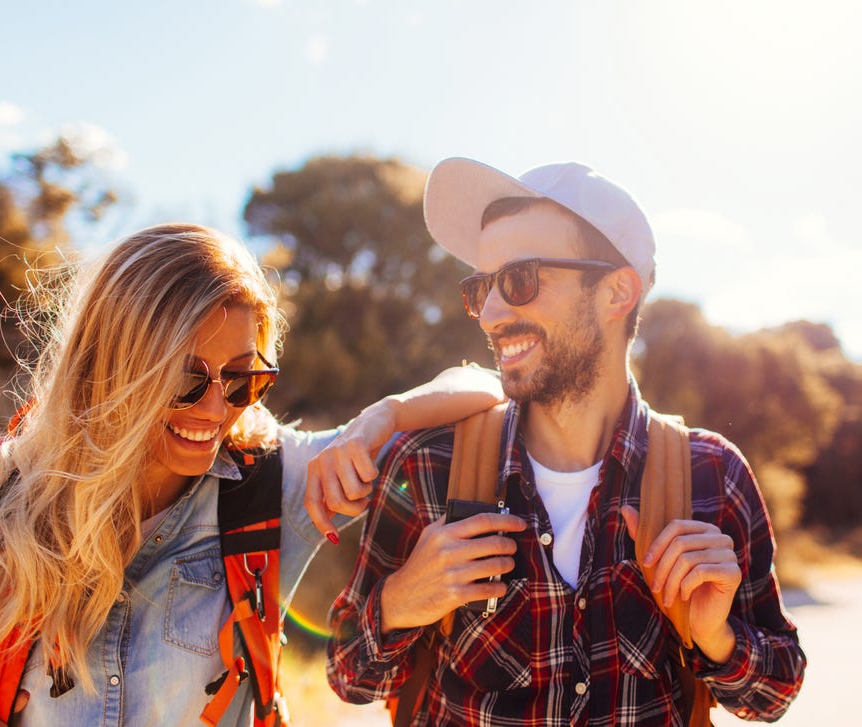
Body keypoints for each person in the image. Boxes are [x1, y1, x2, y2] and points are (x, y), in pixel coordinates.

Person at [0, 223, 504, 726]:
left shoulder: (273, 486)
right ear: (112, 365)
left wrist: (382, 416)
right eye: (185, 380)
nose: (214, 410)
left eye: (241, 379)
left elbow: (485, 386)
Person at [325, 159, 806, 725]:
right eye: (480, 288)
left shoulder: (713, 475)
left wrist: (716, 637)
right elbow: (348, 676)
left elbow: (775, 692)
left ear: (616, 291)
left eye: (519, 280)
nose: (490, 314)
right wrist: (401, 602)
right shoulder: (430, 466)